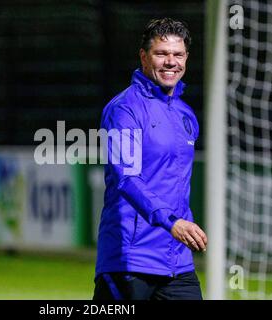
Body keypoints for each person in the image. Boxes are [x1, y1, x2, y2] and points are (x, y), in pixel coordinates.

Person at [93, 18, 208, 300]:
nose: (171, 62)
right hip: (130, 260)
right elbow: (127, 178)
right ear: (144, 57)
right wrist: (172, 222)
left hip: (177, 262)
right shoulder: (125, 110)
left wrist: (180, 225)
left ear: (186, 59)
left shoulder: (186, 115)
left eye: (178, 55)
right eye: (161, 54)